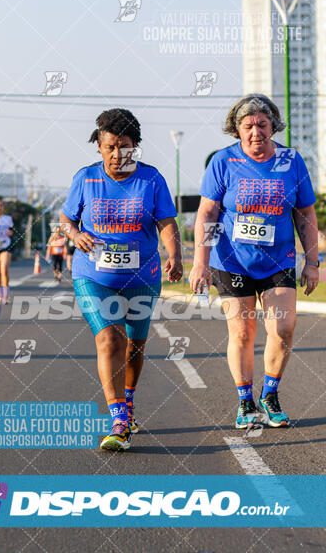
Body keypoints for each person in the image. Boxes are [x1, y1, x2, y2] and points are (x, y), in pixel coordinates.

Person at [190, 93, 319, 429]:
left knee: (283, 328)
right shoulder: (223, 162)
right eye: (248, 125)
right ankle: (245, 402)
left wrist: (312, 261)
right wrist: (200, 261)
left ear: (273, 126)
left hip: (278, 259)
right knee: (243, 332)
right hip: (231, 260)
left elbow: (305, 213)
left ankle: (270, 395)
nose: (256, 131)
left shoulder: (291, 161)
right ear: (237, 129)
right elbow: (207, 213)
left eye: (262, 124)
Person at [60, 108, 182, 451]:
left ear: (135, 147)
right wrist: (75, 235)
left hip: (142, 274)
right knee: (109, 341)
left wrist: (175, 254)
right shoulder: (86, 178)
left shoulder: (152, 179)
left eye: (124, 146)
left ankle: (128, 401)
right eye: (110, 146)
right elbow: (67, 220)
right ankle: (118, 418)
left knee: (134, 346)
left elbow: (166, 223)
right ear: (99, 146)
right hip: (93, 273)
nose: (117, 154)